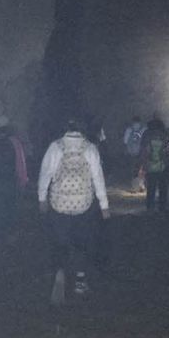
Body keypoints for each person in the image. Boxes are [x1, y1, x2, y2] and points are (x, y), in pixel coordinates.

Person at [38, 117, 110, 305]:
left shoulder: (55, 147)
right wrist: (104, 205)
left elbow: (45, 173)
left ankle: (60, 271)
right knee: (82, 243)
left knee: (60, 240)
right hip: (83, 204)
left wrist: (42, 198)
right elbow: (98, 177)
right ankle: (80, 281)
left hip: (59, 203)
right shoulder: (90, 148)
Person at [139, 118, 169, 213]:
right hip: (165, 166)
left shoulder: (146, 135)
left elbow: (143, 151)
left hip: (150, 166)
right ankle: (162, 207)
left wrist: (143, 165)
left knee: (151, 188)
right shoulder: (166, 135)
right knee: (163, 188)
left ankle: (150, 207)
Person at [122, 115, 145, 191]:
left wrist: (126, 150)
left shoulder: (129, 129)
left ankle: (135, 186)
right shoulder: (143, 129)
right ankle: (141, 184)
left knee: (133, 169)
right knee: (141, 168)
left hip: (131, 152)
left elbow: (125, 141)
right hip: (141, 152)